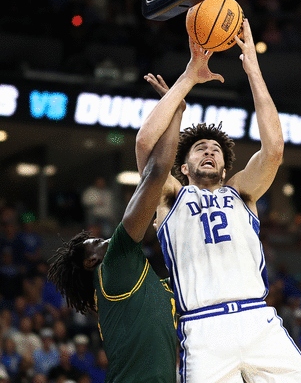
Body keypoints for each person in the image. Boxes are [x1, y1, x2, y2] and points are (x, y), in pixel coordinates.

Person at [47, 35, 225, 382]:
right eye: (95, 243)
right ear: (92, 262)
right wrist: (179, 102)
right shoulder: (115, 264)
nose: (104, 239)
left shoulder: (139, 284)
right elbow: (156, 172)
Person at [154, 19, 301, 383]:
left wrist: (254, 71)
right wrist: (182, 90)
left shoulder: (241, 192)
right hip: (203, 327)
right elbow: (147, 152)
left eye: (215, 150)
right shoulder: (171, 196)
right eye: (200, 148)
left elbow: (274, 149)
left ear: (226, 169)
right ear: (184, 167)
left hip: (257, 319)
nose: (209, 151)